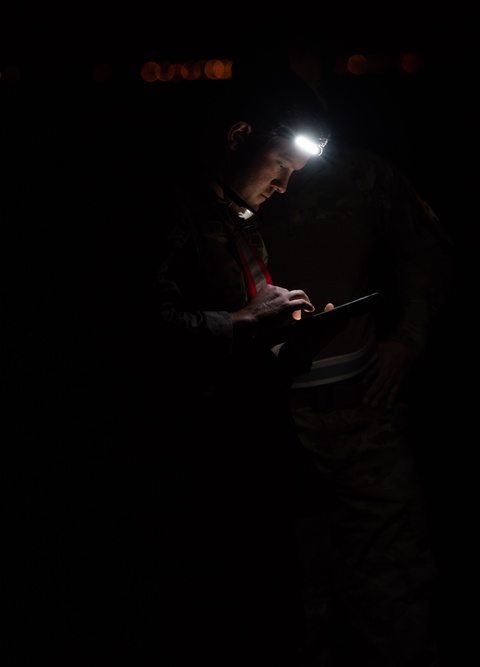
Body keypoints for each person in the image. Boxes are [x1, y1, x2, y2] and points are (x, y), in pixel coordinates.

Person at [130, 60, 336, 665]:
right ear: (239, 136)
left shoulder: (238, 223)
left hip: (252, 464)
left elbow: (246, 353)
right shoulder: (165, 211)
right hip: (197, 476)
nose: (284, 187)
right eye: (281, 168)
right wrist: (245, 322)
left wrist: (290, 344)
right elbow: (144, 335)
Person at [258, 43, 454, 667]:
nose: (311, 103)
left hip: (364, 408)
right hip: (275, 420)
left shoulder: (362, 175)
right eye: (295, 89)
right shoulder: (228, 190)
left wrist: (407, 339)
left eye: (317, 89)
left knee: (392, 589)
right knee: (296, 597)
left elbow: (426, 252)